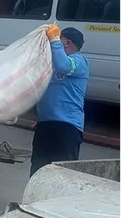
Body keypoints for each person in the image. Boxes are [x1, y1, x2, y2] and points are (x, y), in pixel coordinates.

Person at [30, 26, 89, 177]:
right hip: (46, 124)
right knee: (38, 170)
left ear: (66, 43)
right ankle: (34, 201)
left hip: (67, 127)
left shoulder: (79, 62)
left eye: (58, 40)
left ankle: (58, 201)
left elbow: (64, 65)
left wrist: (55, 41)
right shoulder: (52, 63)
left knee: (61, 174)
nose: (53, 43)